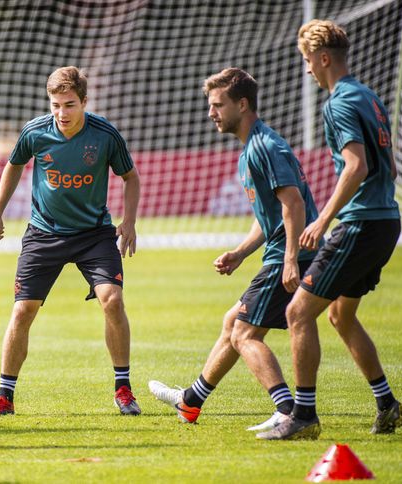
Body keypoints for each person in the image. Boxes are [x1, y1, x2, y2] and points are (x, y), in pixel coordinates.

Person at [257, 20, 402, 440]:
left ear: (323, 59)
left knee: (297, 312)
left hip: (360, 223)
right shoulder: (370, 97)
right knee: (341, 315)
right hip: (386, 219)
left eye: (307, 60)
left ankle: (303, 415)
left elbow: (357, 165)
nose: (306, 69)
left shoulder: (340, 101)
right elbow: (389, 165)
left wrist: (323, 219)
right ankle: (387, 404)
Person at [148, 68, 320, 431]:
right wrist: (241, 252)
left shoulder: (264, 147)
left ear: (242, 105)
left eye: (217, 105)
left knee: (243, 335)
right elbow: (269, 214)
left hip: (287, 258)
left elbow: (294, 205)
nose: (211, 112)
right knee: (232, 323)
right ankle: (190, 402)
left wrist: (290, 260)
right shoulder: (251, 149)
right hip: (281, 254)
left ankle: (289, 412)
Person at [0, 66, 142, 416]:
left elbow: (130, 177)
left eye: (69, 105)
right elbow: (13, 166)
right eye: (55, 105)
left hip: (94, 233)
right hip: (44, 232)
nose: (61, 113)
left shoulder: (105, 135)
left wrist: (128, 221)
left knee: (112, 301)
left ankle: (124, 390)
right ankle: (4, 397)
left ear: (85, 101)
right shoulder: (35, 132)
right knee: (23, 310)